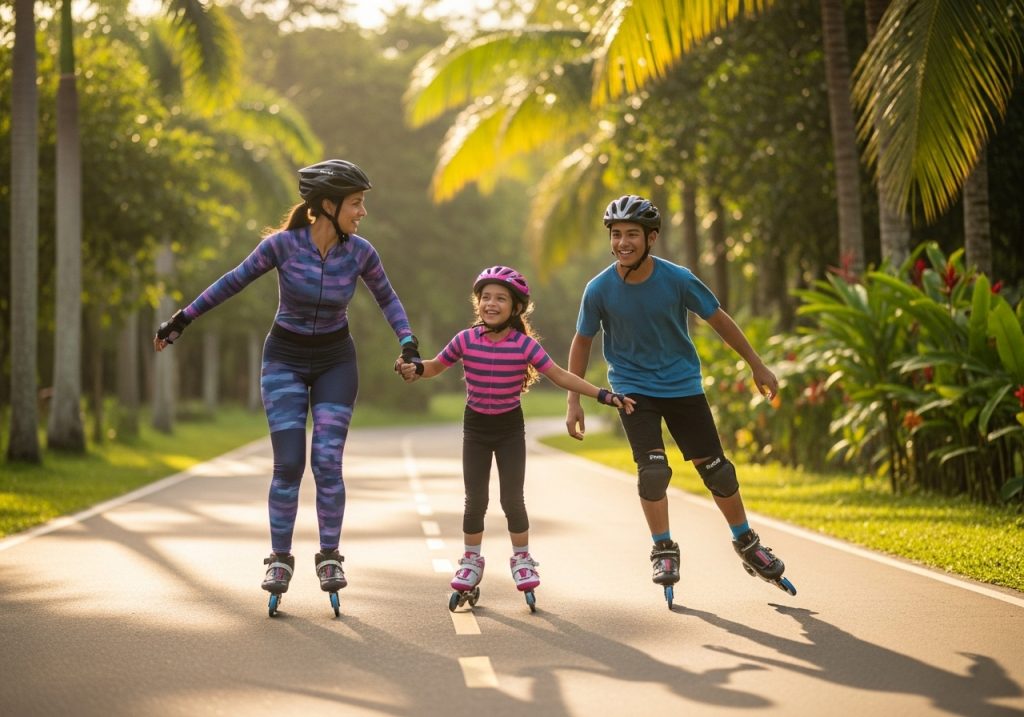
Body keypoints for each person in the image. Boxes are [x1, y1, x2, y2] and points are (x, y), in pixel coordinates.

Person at [154, 159, 421, 605]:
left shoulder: (360, 252)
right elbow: (231, 282)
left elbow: (387, 298)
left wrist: (408, 343)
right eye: (356, 204)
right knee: (289, 463)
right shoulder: (282, 246)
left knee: (328, 461)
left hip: (336, 359)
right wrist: (181, 320)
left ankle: (330, 555)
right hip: (284, 359)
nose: (362, 213)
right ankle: (280, 557)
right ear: (328, 206)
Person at [564, 194, 790, 595]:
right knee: (652, 473)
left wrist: (757, 364)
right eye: (616, 235)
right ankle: (663, 548)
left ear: (651, 238)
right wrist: (574, 399)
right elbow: (582, 341)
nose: (622, 243)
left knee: (717, 470)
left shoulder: (678, 278)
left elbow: (719, 319)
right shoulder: (598, 289)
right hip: (632, 389)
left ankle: (747, 542)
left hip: (682, 386)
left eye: (632, 234)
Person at [398, 265, 635, 602]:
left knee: (512, 499)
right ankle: (470, 561)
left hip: (509, 427)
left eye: (500, 299)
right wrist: (415, 367)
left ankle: (522, 559)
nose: (491, 304)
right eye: (486, 298)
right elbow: (435, 366)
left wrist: (603, 395)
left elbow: (560, 375)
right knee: (475, 499)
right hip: (476, 427)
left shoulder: (524, 346)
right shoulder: (465, 340)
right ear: (477, 302)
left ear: (516, 308)